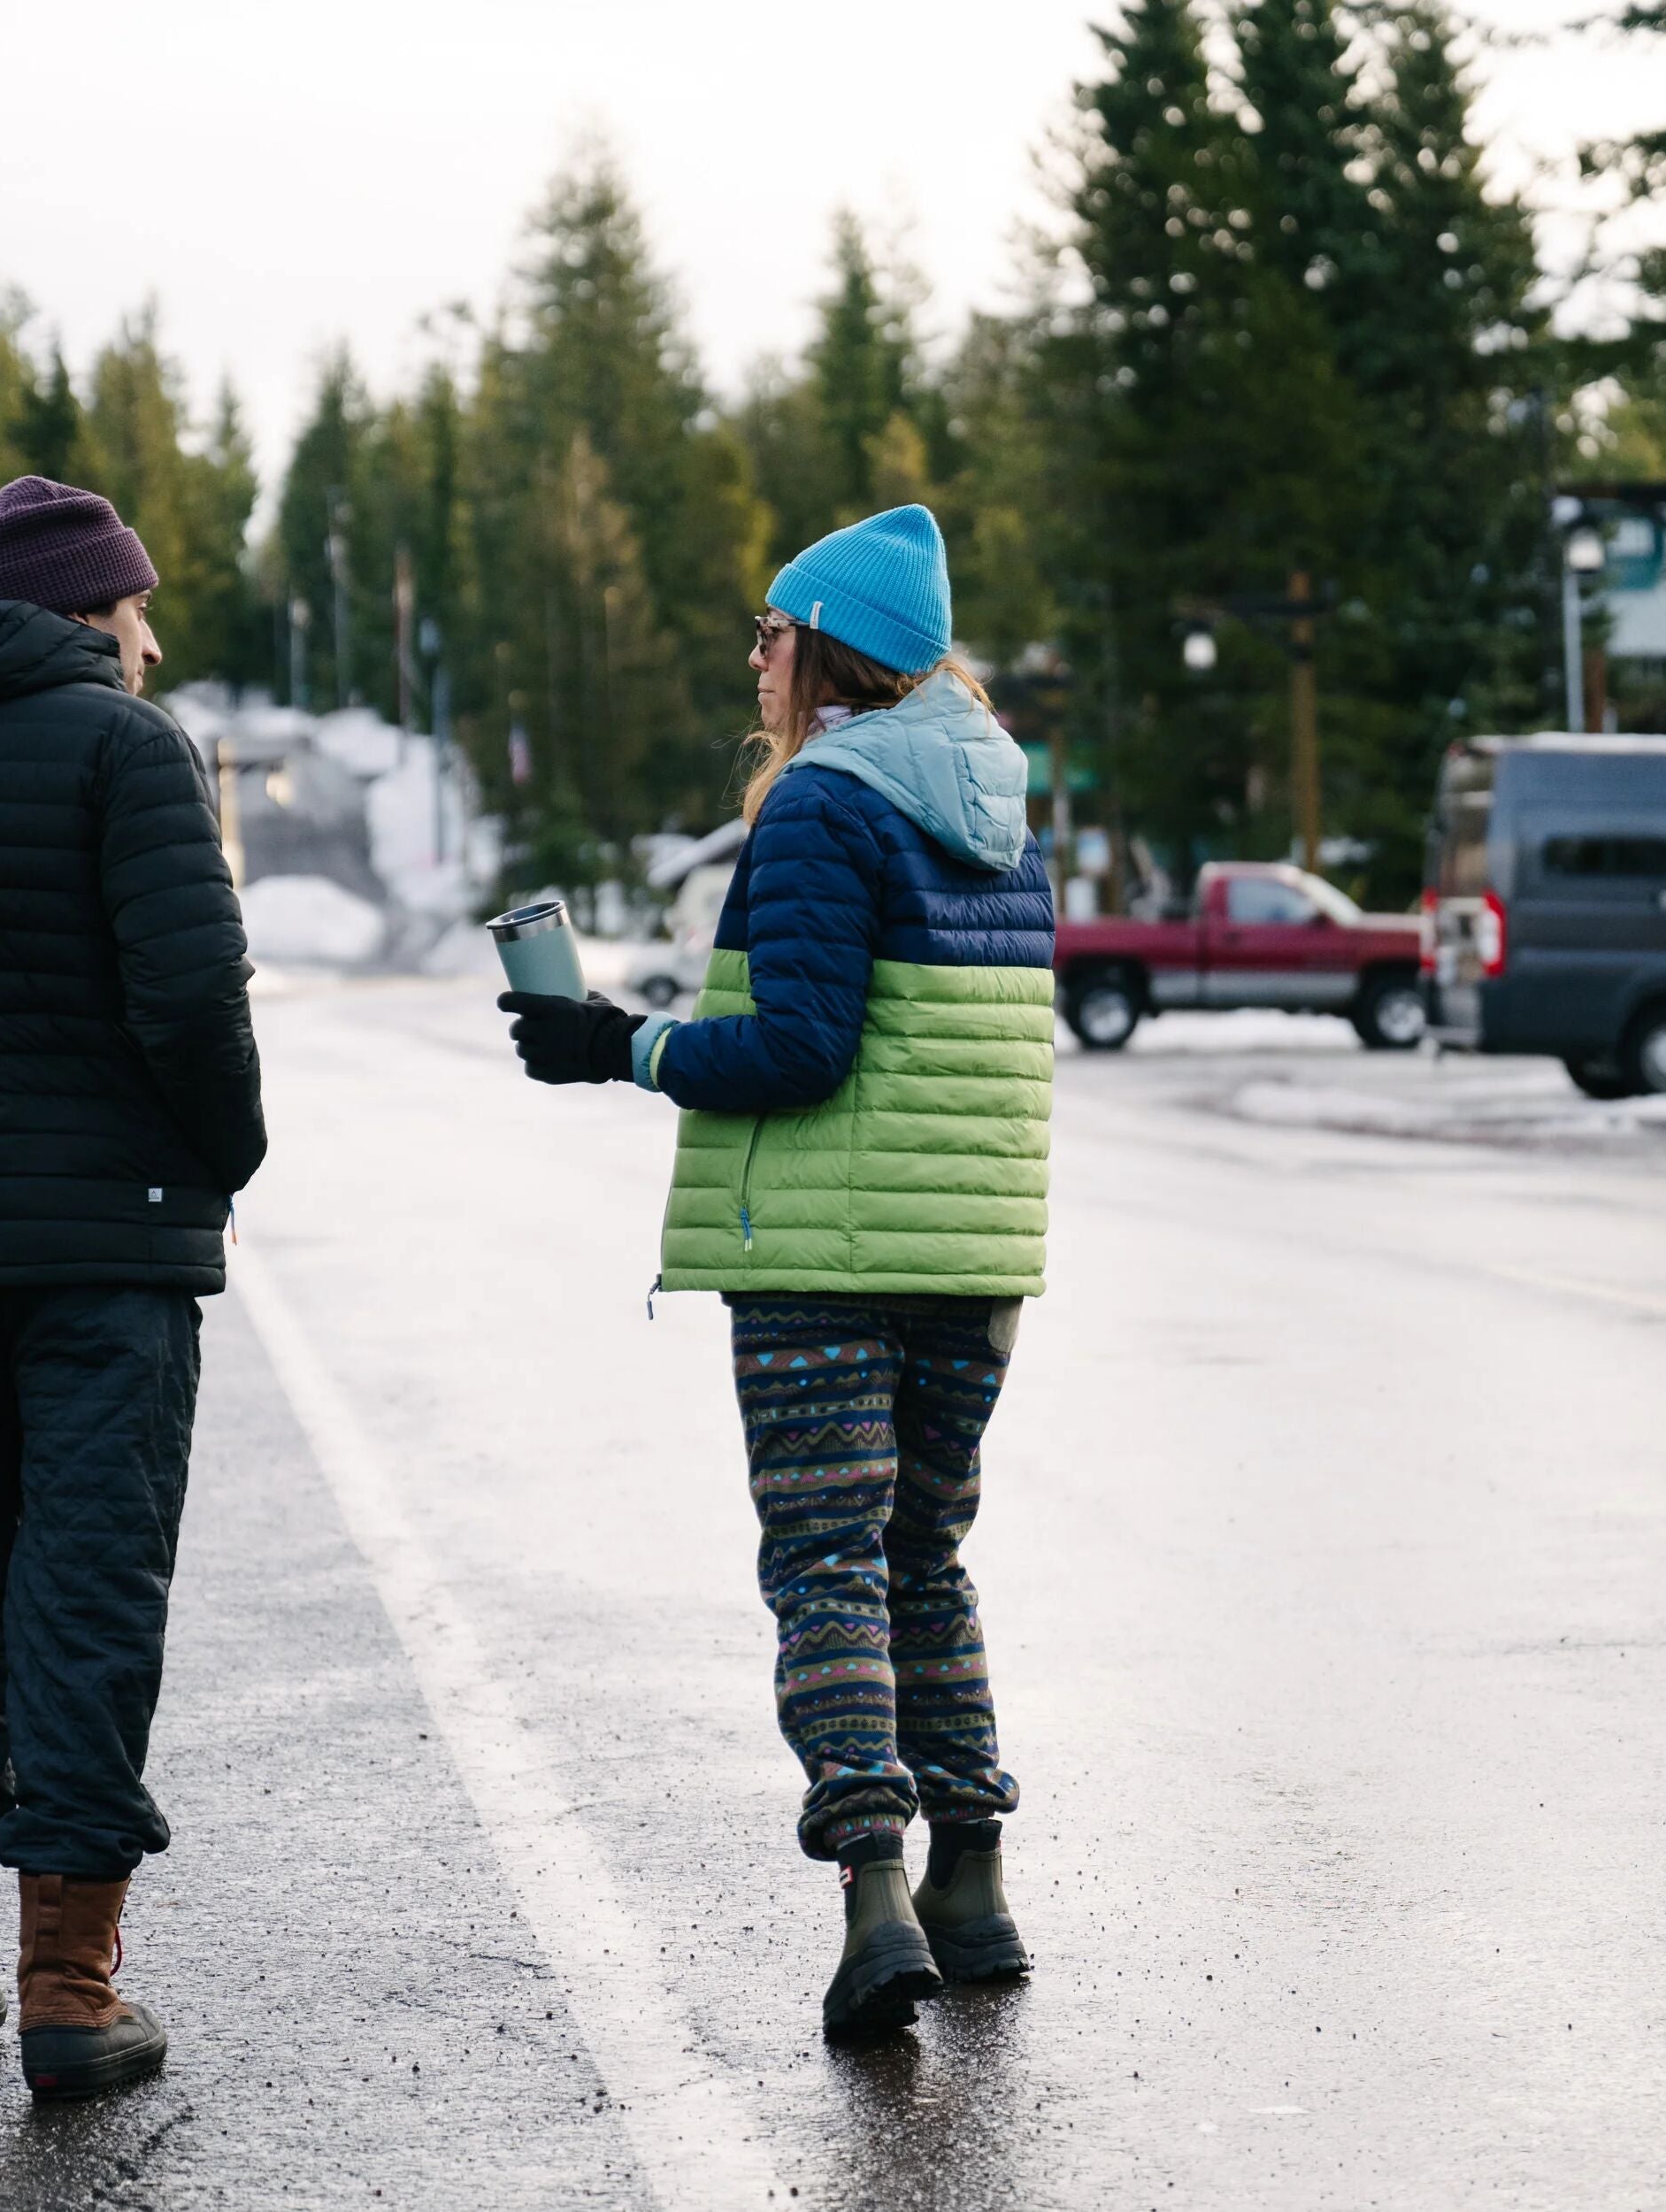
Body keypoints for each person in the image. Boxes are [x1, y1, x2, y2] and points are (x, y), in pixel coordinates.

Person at [500, 505, 1054, 2035]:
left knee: (827, 1564)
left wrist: (624, 1042)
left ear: (824, 652)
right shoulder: (1006, 810)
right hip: (973, 1255)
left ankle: (876, 1894)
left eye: (770, 631)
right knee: (924, 1555)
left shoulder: (821, 804)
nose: (754, 659)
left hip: (824, 1257)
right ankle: (974, 1878)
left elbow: (801, 1050)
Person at [0, 475, 266, 2097]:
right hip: (104, 1251)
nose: (150, 638)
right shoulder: (125, 750)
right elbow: (192, 995)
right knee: (86, 1593)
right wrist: (223, 1159)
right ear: (93, 610)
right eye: (139, 608)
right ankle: (70, 1991)